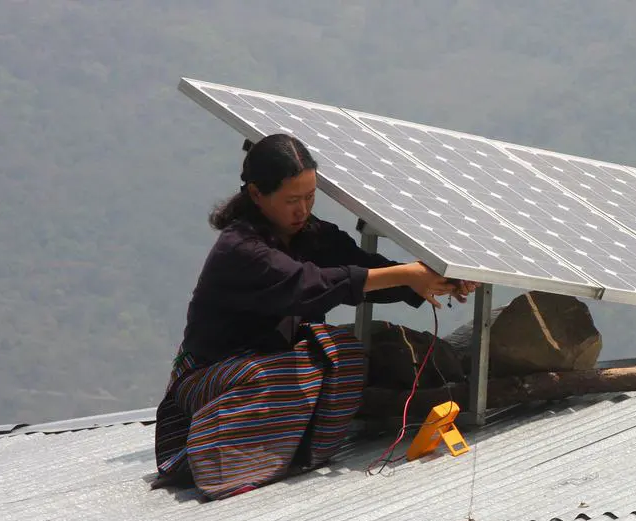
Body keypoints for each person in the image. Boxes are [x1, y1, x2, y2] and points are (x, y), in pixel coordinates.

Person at [152, 133, 477, 500]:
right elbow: (310, 285)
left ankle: (294, 456)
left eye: (310, 197)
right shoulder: (241, 249)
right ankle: (217, 460)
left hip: (271, 365)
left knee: (345, 353)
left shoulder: (312, 236)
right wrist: (406, 274)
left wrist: (434, 280)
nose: (302, 210)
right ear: (257, 195)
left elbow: (364, 270)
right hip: (213, 377)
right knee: (279, 374)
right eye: (292, 200)